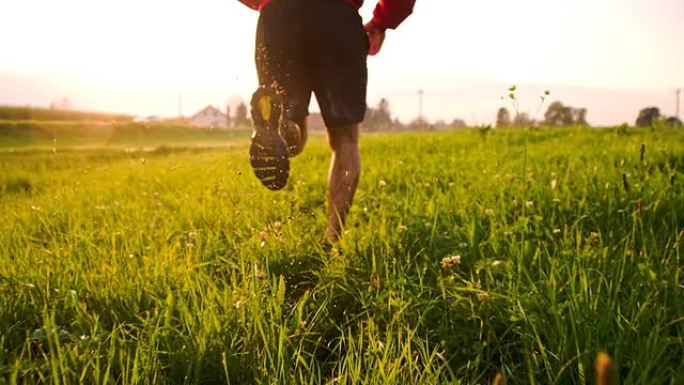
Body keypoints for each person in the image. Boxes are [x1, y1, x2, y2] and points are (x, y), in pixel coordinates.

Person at [239, 0, 415, 242]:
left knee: (290, 122)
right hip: (337, 19)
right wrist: (383, 20)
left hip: (278, 19)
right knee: (345, 139)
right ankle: (332, 239)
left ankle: (280, 126)